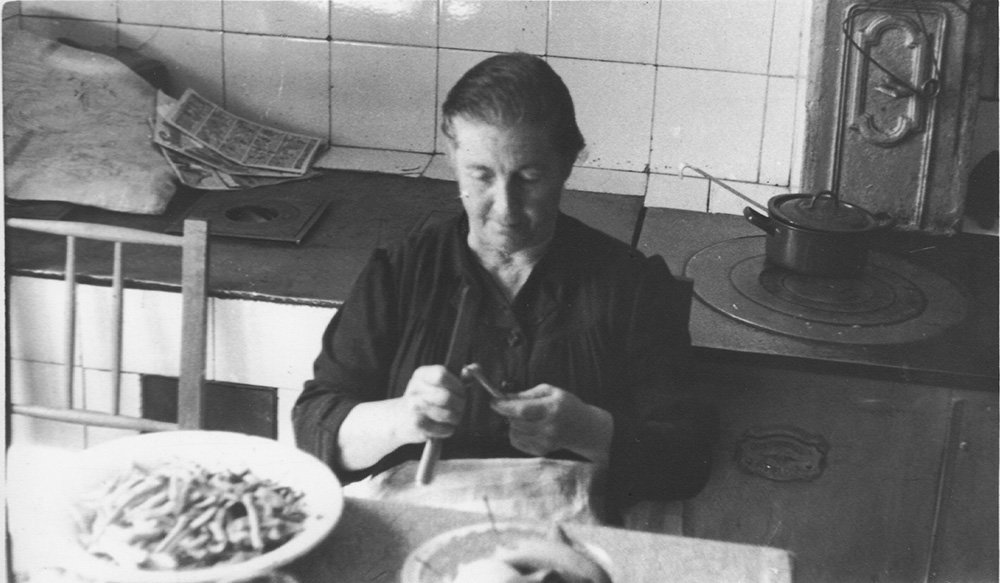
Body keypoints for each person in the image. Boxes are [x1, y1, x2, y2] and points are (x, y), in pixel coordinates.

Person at [293, 52, 717, 521]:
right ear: (452, 156)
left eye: (529, 178)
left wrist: (588, 429)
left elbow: (688, 459)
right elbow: (312, 430)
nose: (505, 209)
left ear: (567, 163)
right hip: (416, 533)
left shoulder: (630, 286)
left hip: (565, 545)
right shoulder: (399, 274)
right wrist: (399, 419)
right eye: (481, 176)